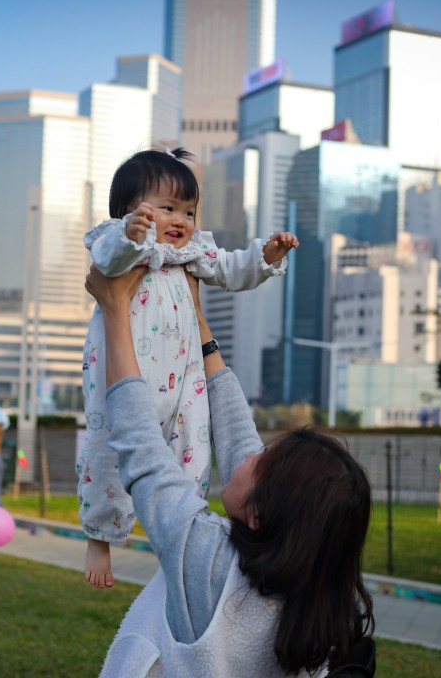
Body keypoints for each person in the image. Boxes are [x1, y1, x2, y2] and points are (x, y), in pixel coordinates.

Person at [85, 265, 374, 677]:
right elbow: (237, 430)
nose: (249, 455)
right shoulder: (316, 604)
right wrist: (197, 318)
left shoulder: (209, 566)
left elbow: (143, 448)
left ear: (258, 516)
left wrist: (115, 310)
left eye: (261, 462)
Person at [78, 146, 299, 588]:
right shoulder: (116, 242)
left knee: (193, 453)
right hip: (124, 377)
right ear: (128, 212)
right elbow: (107, 262)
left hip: (186, 382)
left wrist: (267, 256)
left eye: (189, 211)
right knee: (107, 450)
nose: (181, 220)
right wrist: (131, 235)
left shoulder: (192, 253)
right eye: (166, 208)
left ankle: (180, 535)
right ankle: (101, 535)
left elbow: (233, 268)